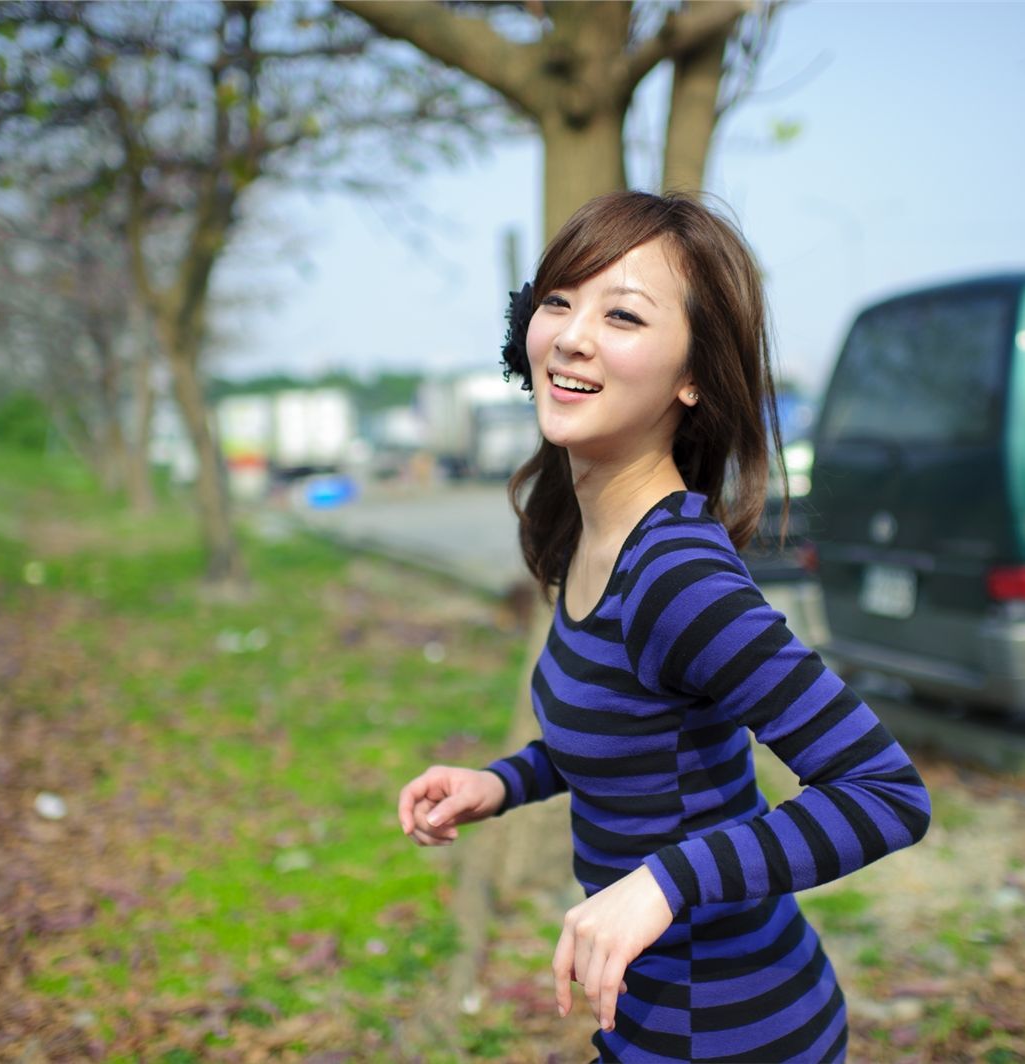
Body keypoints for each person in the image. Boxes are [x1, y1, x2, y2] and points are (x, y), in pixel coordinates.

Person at [396, 190, 932, 1063]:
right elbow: (638, 743)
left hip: (730, 1029)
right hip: (654, 1016)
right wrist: (503, 783)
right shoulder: (589, 533)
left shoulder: (680, 578)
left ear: (692, 375)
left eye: (623, 315)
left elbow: (885, 793)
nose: (571, 335)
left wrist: (664, 883)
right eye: (559, 301)